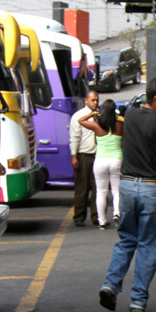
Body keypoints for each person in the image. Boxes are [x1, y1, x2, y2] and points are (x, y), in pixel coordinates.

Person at [99, 77, 156, 312]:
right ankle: (137, 300)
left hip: (126, 185)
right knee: (148, 245)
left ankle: (111, 285)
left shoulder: (131, 115)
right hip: (150, 187)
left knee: (126, 240)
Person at [81, 98, 124, 229]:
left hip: (100, 160)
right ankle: (117, 213)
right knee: (117, 191)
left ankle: (102, 221)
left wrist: (92, 114)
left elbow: (80, 121)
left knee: (101, 192)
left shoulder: (97, 125)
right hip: (116, 159)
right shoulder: (120, 125)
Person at [69, 90, 100, 226]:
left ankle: (96, 216)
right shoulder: (79, 116)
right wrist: (74, 156)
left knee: (98, 188)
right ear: (86, 100)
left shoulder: (100, 115)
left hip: (98, 155)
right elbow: (74, 138)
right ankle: (79, 217)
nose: (95, 103)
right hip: (84, 156)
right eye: (93, 100)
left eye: (97, 100)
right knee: (82, 188)